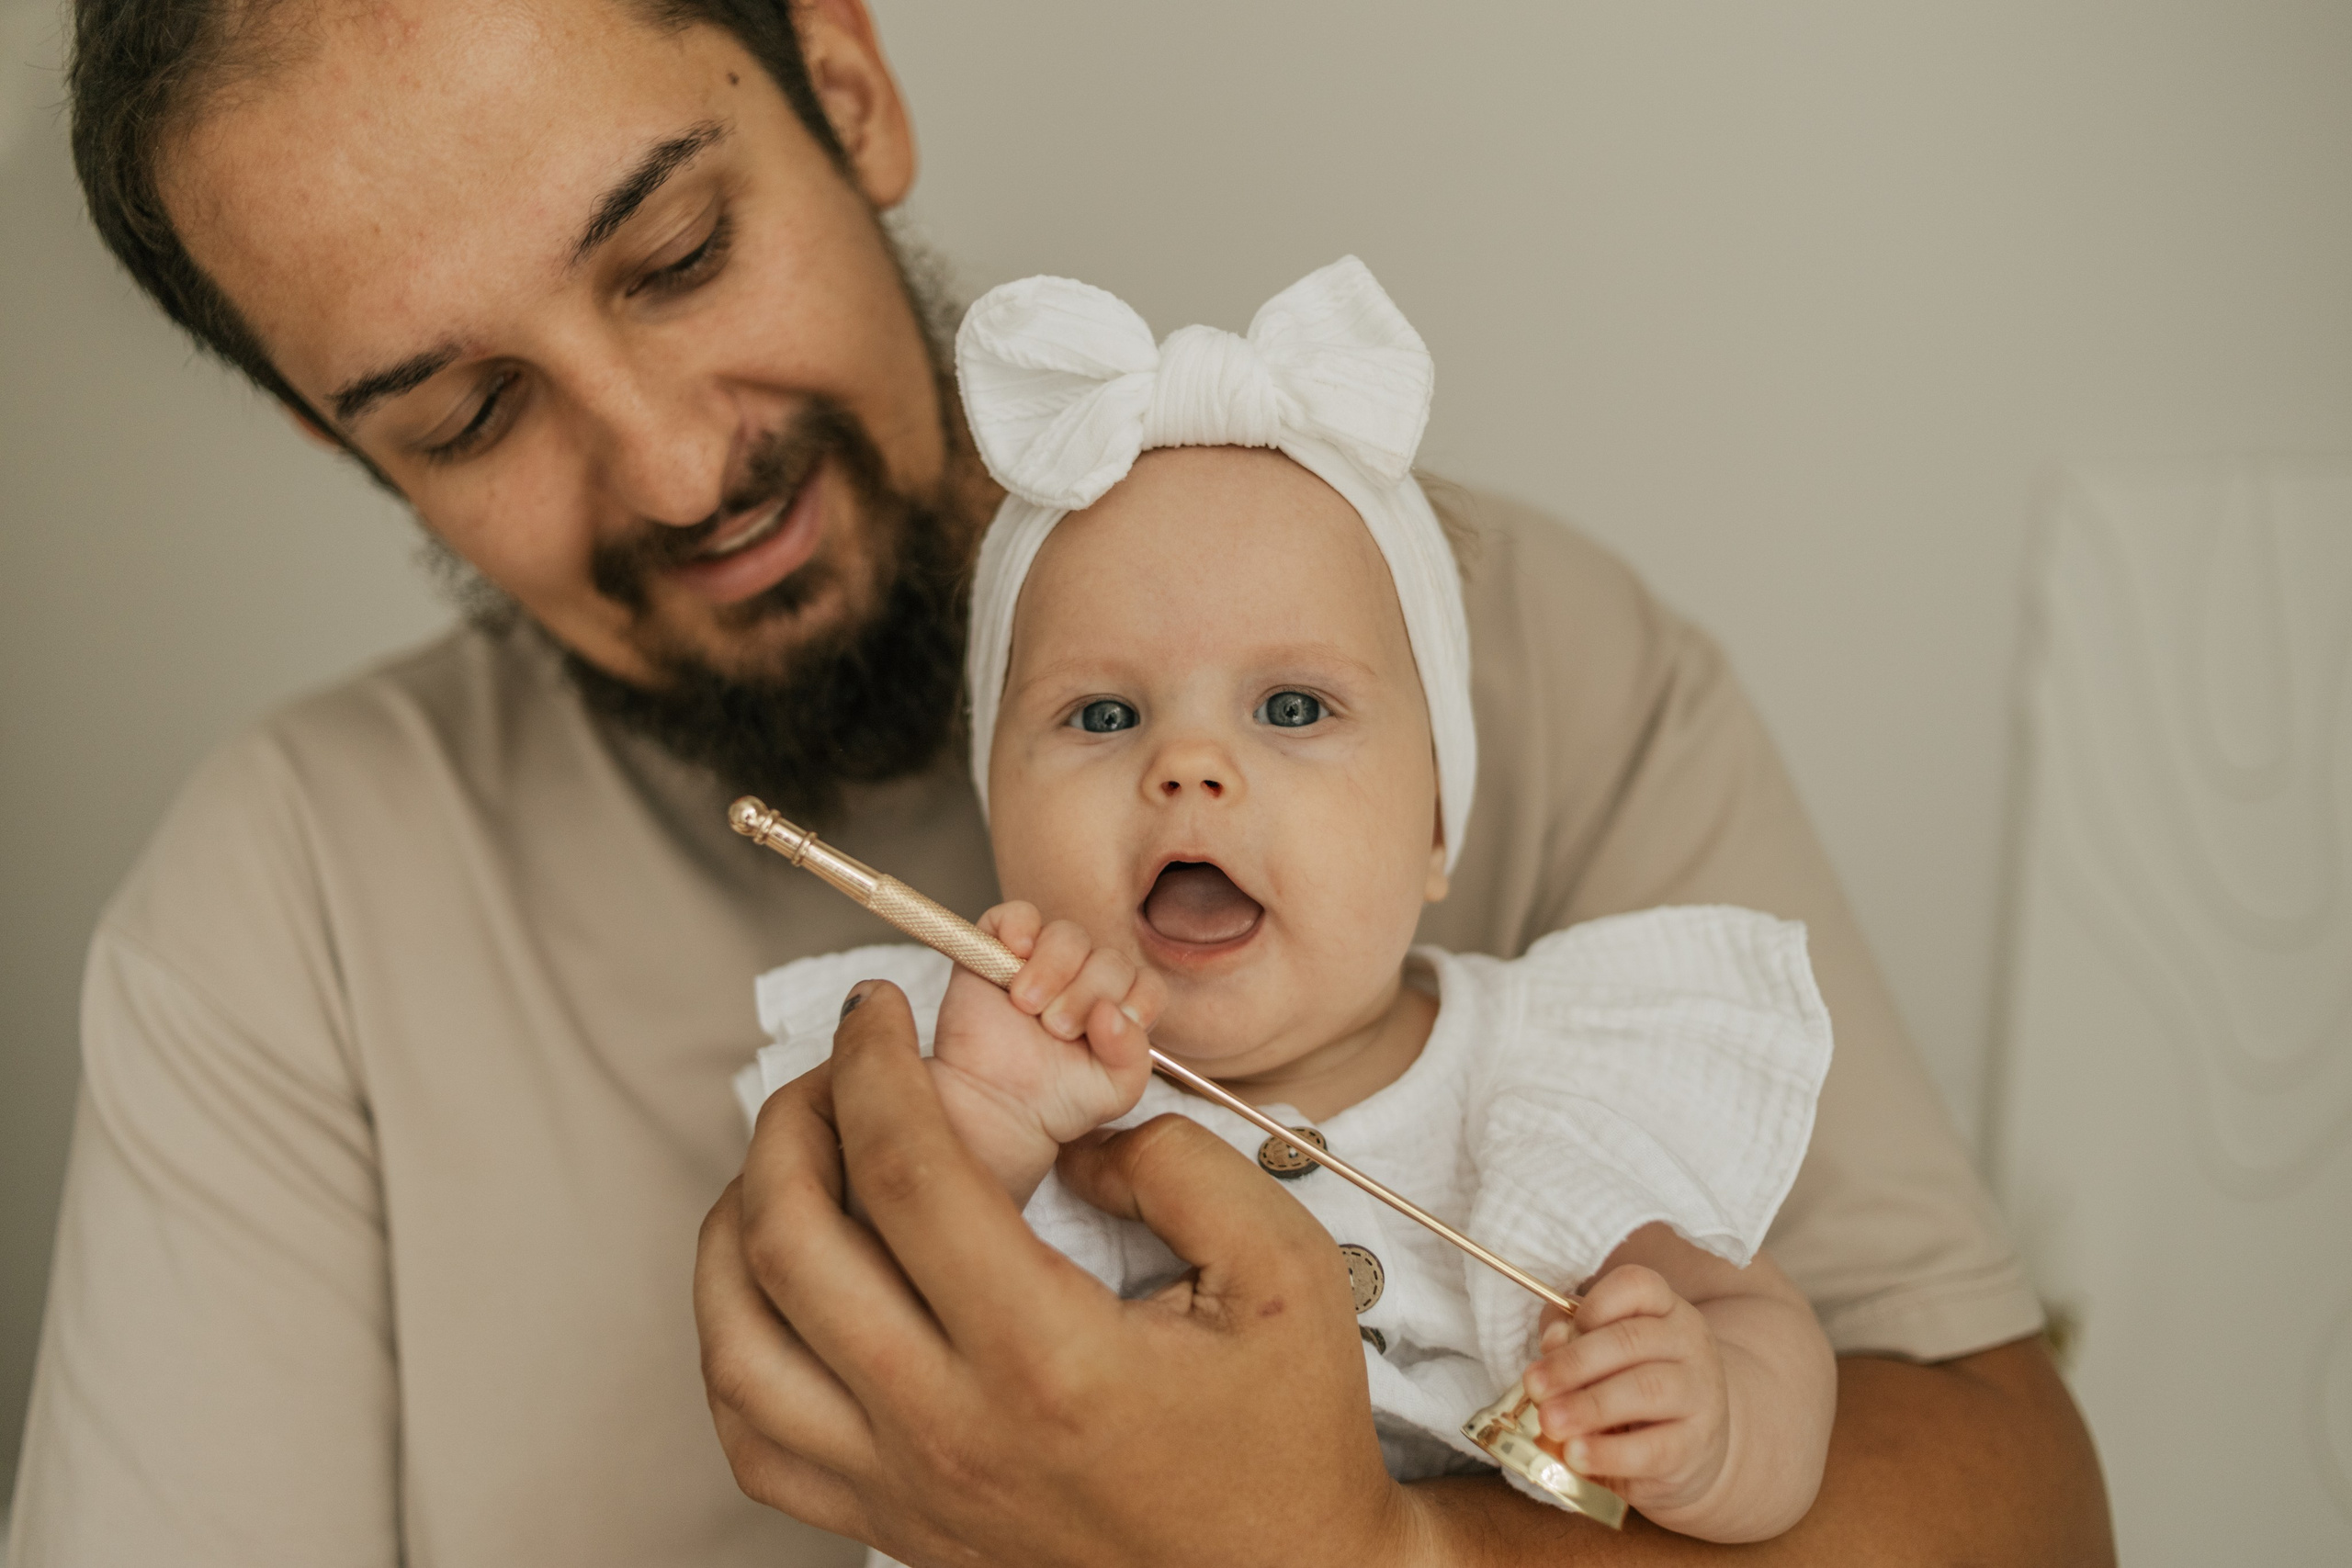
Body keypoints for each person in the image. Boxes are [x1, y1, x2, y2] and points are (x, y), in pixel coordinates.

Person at [11, 1, 2111, 1563]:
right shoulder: (277, 912)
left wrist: (1358, 1549)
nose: (665, 462)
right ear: (337, 434)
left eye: (671, 257)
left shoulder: (1499, 641)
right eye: (467, 409)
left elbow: (2015, 1508)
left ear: (844, 86)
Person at [740, 258, 1841, 1557]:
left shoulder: (1543, 1075)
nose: (1191, 766)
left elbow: (1767, 1334)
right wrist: (978, 1131)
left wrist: (1713, 1423)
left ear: (1437, 824)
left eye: (1293, 707)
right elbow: (858, 1355)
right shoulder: (970, 1071)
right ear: (998, 823)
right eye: (1103, 715)